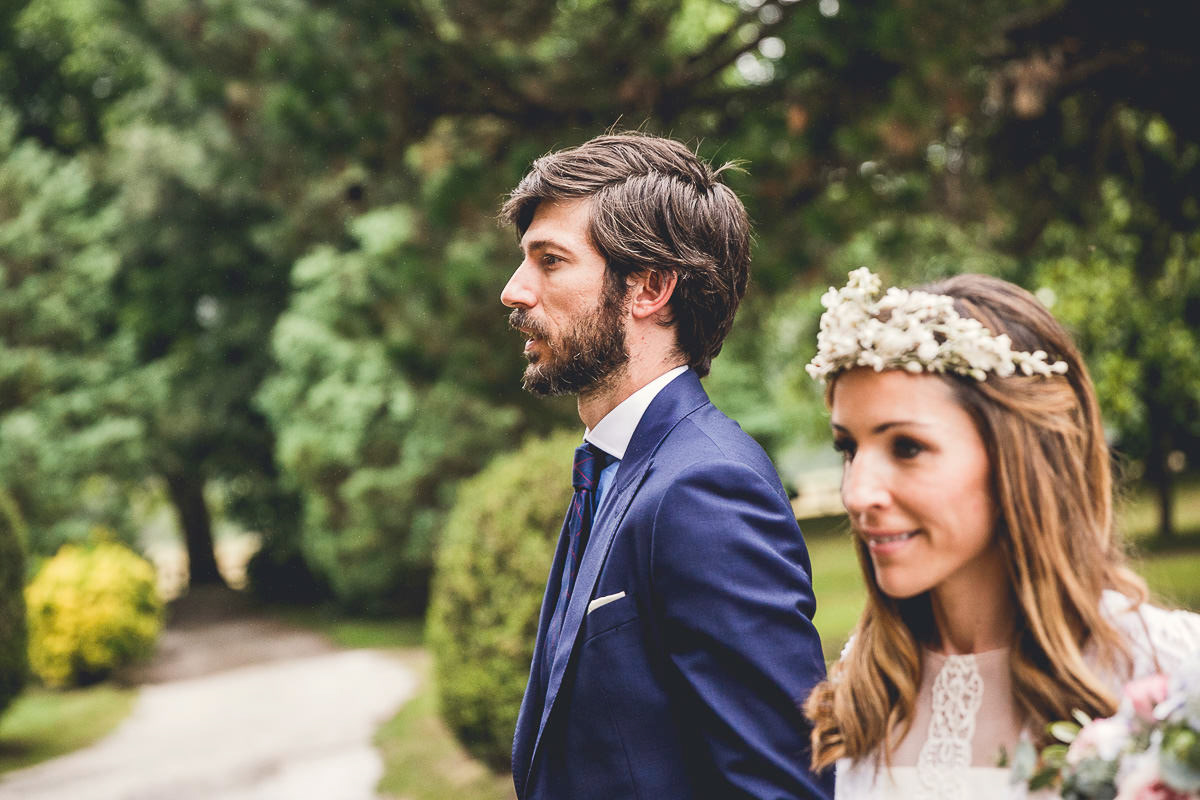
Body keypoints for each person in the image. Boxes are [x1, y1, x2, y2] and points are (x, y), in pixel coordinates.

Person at [500, 132, 832, 800]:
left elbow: (780, 786)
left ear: (649, 287)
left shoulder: (706, 487)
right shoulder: (614, 466)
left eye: (550, 260)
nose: (514, 291)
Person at [801, 268, 1200, 798]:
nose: (856, 494)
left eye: (907, 447)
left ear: (1018, 456)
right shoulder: (867, 683)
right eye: (848, 448)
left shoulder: (1170, 672)